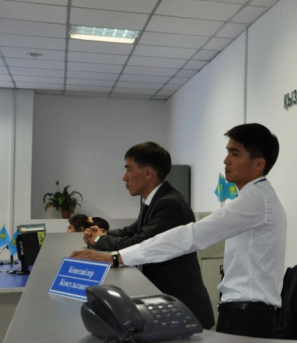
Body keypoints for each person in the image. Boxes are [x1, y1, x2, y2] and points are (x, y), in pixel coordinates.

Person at [72, 124, 287, 338]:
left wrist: (117, 257)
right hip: (242, 313)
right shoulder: (255, 198)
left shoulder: (255, 200)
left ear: (258, 164)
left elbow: (190, 236)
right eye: (227, 152)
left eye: (235, 153)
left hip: (249, 318)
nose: (226, 160)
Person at [78, 141, 215, 329]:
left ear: (148, 173)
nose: (124, 177)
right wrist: (104, 233)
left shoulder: (170, 204)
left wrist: (100, 240)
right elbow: (133, 230)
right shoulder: (155, 200)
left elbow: (140, 241)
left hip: (184, 308)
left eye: (129, 169)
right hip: (169, 304)